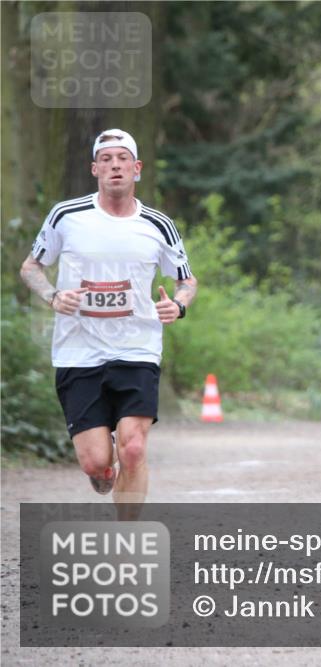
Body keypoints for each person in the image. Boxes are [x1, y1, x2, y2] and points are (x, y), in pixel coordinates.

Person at [19, 129, 197, 520]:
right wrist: (53, 296)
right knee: (96, 463)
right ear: (94, 168)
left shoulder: (158, 224)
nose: (114, 165)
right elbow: (31, 267)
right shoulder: (67, 216)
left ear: (137, 169)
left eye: (122, 159)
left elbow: (187, 281)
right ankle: (103, 472)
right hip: (78, 350)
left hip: (138, 347)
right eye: (107, 159)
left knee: (133, 447)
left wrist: (178, 306)